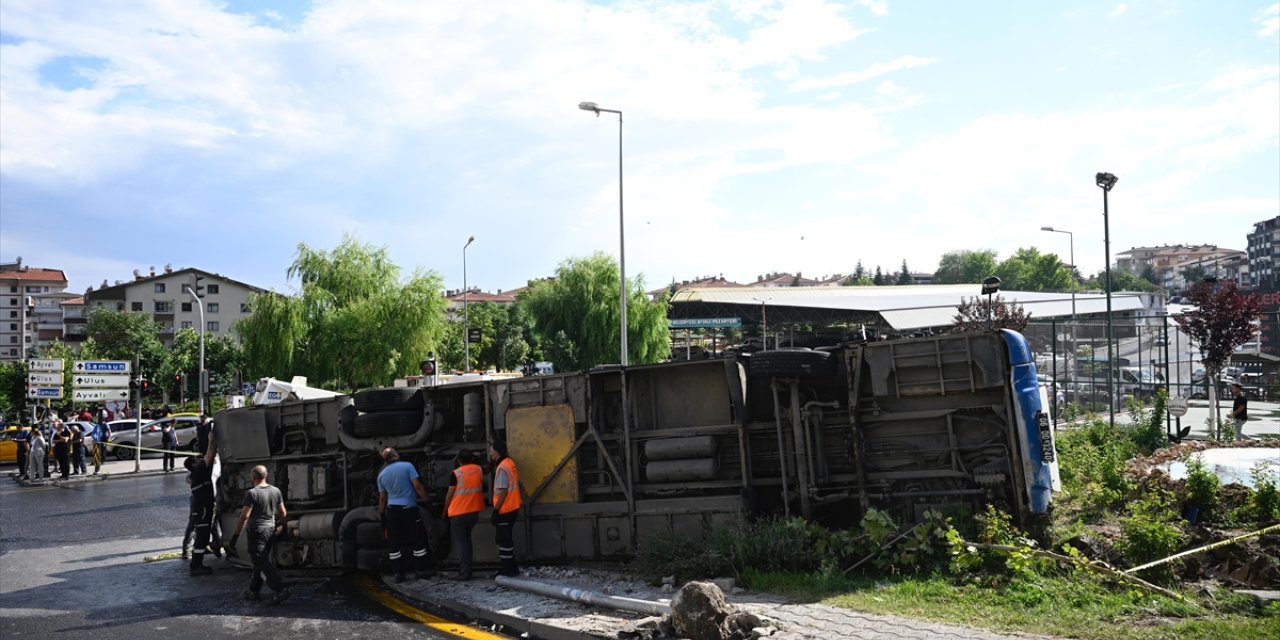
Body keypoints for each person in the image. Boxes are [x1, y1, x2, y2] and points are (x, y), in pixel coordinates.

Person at [229, 465, 290, 605]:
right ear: (266, 475)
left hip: (257, 532)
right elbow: (283, 512)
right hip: (271, 530)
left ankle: (280, 589)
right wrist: (284, 528)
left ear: (253, 477)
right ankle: (253, 590)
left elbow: (244, 517)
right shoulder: (276, 491)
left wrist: (234, 538)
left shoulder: (252, 493)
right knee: (260, 561)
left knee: (261, 562)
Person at [377, 448, 434, 582]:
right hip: (409, 508)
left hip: (392, 511)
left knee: (394, 542)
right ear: (396, 455)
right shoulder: (407, 466)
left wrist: (382, 515)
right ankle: (419, 570)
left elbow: (382, 499)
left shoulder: (381, 474)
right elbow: (418, 486)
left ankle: (398, 573)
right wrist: (427, 501)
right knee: (417, 539)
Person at [443, 449, 484, 581]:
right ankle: (468, 569)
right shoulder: (478, 470)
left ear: (459, 460)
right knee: (467, 541)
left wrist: (444, 510)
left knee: (462, 543)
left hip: (458, 513)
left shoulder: (456, 474)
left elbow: (449, 495)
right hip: (473, 512)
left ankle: (465, 572)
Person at [185, 431, 221, 575]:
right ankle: (196, 566)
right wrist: (211, 439)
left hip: (200, 510)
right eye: (196, 459)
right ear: (193, 465)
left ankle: (196, 563)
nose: (200, 460)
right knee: (202, 538)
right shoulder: (199, 473)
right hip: (203, 510)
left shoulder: (197, 475)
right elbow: (210, 455)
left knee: (202, 536)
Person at [488, 441, 522, 578]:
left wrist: (495, 510)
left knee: (504, 541)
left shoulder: (501, 468)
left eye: (491, 451)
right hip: (513, 507)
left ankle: (509, 569)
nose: (490, 453)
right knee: (506, 539)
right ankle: (511, 567)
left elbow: (502, 491)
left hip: (505, 510)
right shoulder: (509, 463)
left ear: (497, 452)